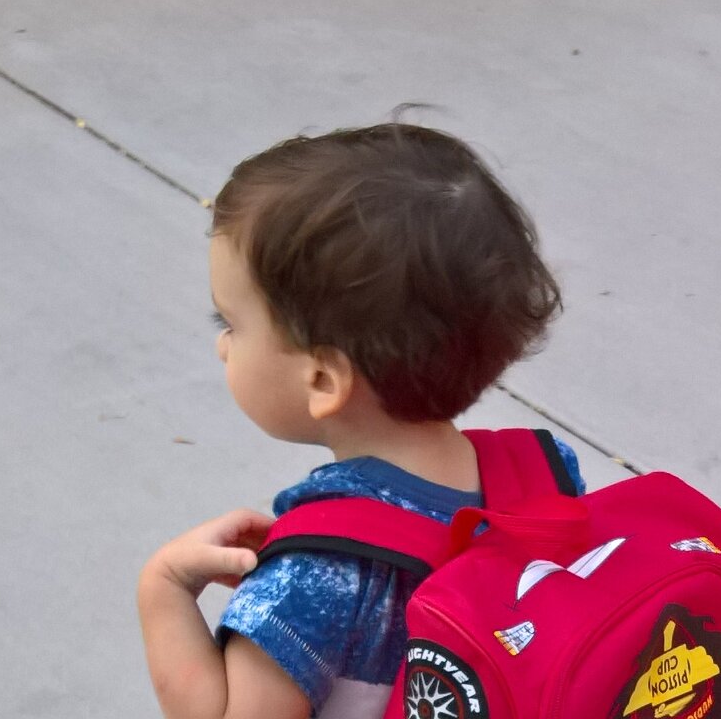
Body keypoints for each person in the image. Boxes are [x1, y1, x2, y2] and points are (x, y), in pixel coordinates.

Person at [136, 124, 582, 719]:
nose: (223, 346)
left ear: (323, 380)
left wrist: (163, 589)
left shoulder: (314, 579)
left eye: (232, 325)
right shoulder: (548, 480)